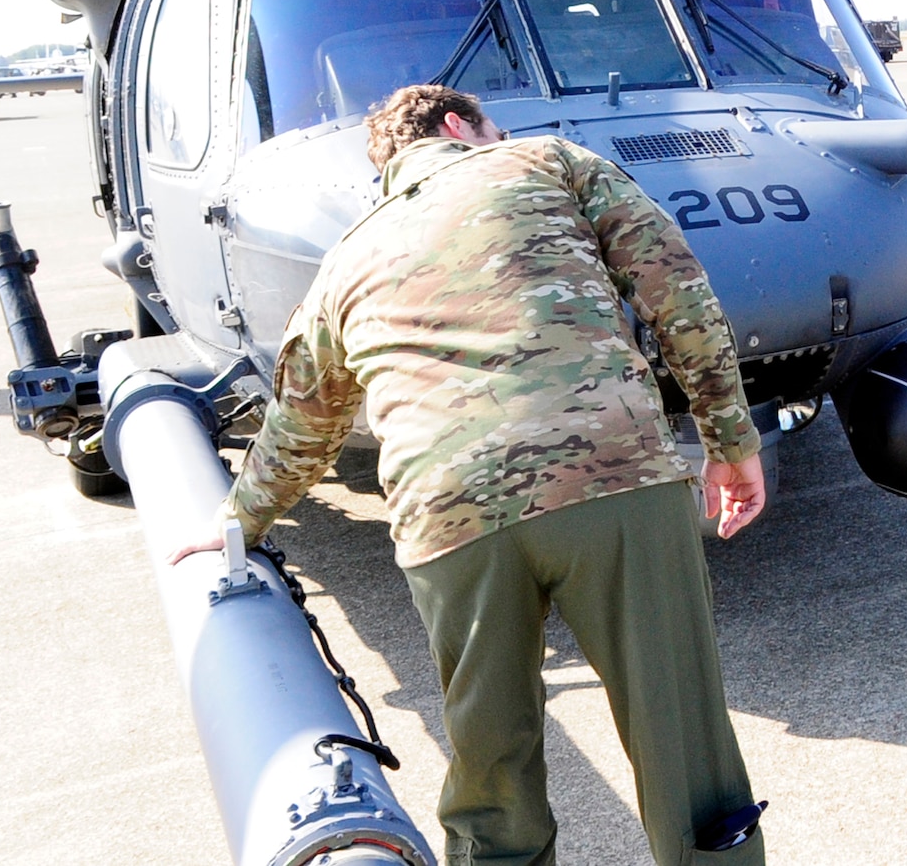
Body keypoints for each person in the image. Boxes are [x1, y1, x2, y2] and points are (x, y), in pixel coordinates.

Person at [171, 83, 770, 865]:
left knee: (492, 771)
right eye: (492, 123)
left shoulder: (344, 259)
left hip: (447, 514)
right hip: (612, 477)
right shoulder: (545, 159)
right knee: (684, 742)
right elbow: (676, 291)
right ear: (461, 126)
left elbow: (301, 423)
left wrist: (235, 524)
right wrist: (728, 439)